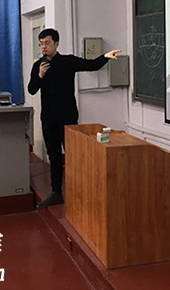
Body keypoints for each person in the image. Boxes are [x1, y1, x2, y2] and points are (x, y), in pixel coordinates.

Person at [28, 28, 121, 207]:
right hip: (48, 118)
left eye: (47, 43)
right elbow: (32, 89)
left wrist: (106, 56)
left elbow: (91, 65)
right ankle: (56, 192)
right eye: (41, 44)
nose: (43, 47)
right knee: (54, 156)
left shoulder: (67, 61)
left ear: (56, 43)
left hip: (67, 117)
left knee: (73, 154)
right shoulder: (38, 65)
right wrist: (40, 75)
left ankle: (78, 190)